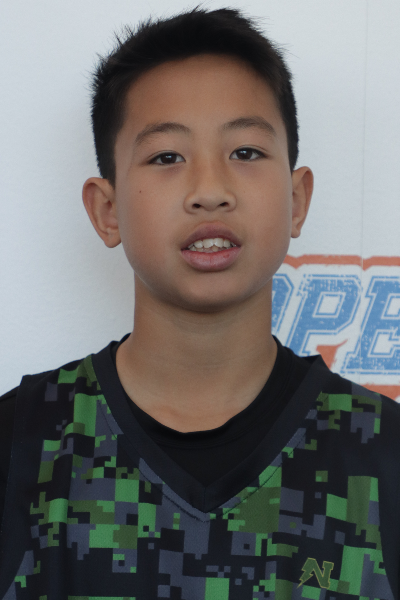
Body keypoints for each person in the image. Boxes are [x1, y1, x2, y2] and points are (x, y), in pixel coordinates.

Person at [0, 6, 399, 599]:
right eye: (167, 157)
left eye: (245, 152)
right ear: (107, 210)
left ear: (296, 200)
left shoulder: (384, 456)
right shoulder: (21, 446)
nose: (210, 191)